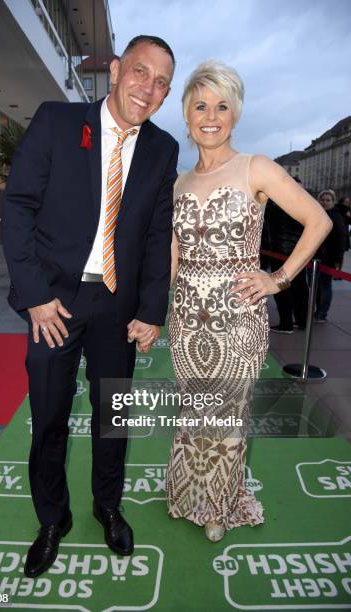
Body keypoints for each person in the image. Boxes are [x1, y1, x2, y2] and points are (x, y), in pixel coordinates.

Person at [2, 35, 178, 577]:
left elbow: (154, 235)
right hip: (53, 303)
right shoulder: (58, 120)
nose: (148, 89)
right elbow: (18, 208)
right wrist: (34, 298)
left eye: (162, 83)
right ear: (118, 69)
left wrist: (151, 310)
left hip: (117, 307)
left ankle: (108, 505)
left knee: (112, 418)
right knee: (49, 417)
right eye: (141, 72)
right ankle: (52, 519)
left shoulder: (162, 149)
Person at [166, 60, 332, 543]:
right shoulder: (177, 182)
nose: (211, 115)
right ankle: (184, 493)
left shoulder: (255, 167)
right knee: (192, 410)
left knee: (226, 415)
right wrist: (156, 312)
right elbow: (174, 255)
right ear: (187, 114)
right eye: (201, 106)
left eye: (222, 106)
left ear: (234, 115)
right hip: (186, 321)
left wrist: (277, 280)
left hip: (238, 319)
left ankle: (218, 503)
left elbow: (318, 220)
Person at [266, 177, 309, 334]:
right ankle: (301, 321)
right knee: (299, 289)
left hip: (283, 257)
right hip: (296, 256)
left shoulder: (276, 208)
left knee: (287, 290)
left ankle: (287, 324)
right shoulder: (306, 207)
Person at [314, 190, 348, 322]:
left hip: (328, 258)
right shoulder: (318, 214)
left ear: (333, 202)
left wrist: (337, 259)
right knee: (315, 286)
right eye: (323, 200)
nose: (325, 202)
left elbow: (341, 239)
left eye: (328, 200)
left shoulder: (336, 217)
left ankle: (322, 313)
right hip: (315, 257)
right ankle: (317, 310)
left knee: (325, 286)